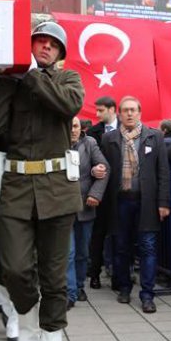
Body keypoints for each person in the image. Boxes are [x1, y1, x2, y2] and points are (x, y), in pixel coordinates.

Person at [0, 21, 84, 341]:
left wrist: (32, 76)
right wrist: (5, 83)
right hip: (14, 188)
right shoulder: (13, 82)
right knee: (13, 268)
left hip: (57, 190)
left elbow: (68, 105)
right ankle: (26, 324)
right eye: (38, 41)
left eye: (51, 43)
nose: (44, 46)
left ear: (60, 52)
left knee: (54, 279)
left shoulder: (68, 79)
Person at [101, 96, 170, 313]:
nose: (129, 114)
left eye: (133, 110)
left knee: (148, 247)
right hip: (120, 201)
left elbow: (163, 173)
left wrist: (163, 202)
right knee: (121, 247)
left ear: (140, 113)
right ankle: (124, 287)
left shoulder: (155, 136)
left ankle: (148, 294)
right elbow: (105, 170)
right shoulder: (109, 139)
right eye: (125, 110)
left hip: (147, 202)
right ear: (119, 114)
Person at [66, 117, 108, 308]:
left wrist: (95, 194)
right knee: (68, 252)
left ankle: (79, 285)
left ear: (80, 128)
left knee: (82, 253)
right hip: (62, 208)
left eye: (75, 126)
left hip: (85, 206)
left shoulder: (89, 143)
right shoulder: (54, 144)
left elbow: (104, 169)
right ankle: (70, 292)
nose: (72, 130)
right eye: (68, 126)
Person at [87, 96, 118, 290]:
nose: (97, 114)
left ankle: (119, 274)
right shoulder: (93, 132)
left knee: (119, 235)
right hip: (100, 192)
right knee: (97, 235)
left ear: (112, 109)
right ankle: (95, 274)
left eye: (101, 110)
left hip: (121, 190)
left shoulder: (126, 129)